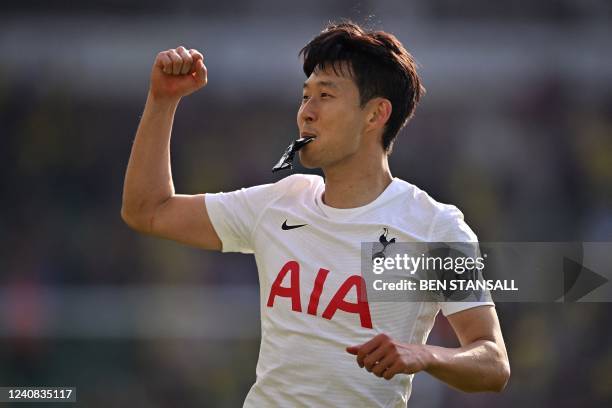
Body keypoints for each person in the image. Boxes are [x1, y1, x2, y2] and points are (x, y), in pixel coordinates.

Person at [121, 21, 510, 407]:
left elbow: (493, 361)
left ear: (375, 115)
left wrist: (424, 355)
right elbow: (147, 210)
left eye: (325, 95)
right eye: (305, 96)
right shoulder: (277, 204)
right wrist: (162, 100)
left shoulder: (435, 226)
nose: (306, 112)